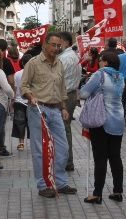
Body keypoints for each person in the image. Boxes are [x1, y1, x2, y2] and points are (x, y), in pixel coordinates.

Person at [21, 32, 77, 198]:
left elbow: (62, 89)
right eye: (53, 45)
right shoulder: (33, 63)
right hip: (38, 109)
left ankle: (60, 182)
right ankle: (43, 185)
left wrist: (64, 107)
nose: (56, 48)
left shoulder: (59, 63)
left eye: (59, 45)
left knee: (63, 147)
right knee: (40, 149)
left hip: (56, 110)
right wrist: (31, 97)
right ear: (45, 45)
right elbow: (24, 86)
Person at [79, 52, 125, 204]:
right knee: (115, 157)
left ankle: (97, 194)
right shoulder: (120, 77)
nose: (98, 63)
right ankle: (118, 191)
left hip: (101, 120)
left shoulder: (100, 75)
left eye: (100, 60)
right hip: (118, 120)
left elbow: (84, 93)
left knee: (100, 158)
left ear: (105, 62)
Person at [58, 31, 83, 172]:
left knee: (63, 129)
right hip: (71, 94)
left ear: (65, 42)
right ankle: (67, 160)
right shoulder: (73, 56)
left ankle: (67, 161)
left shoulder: (64, 58)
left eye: (58, 42)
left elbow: (57, 79)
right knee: (65, 128)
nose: (56, 46)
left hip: (65, 95)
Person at [12, 54, 33, 152]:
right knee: (32, 123)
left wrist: (13, 100)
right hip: (31, 101)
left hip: (19, 101)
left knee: (20, 123)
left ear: (23, 63)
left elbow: (15, 89)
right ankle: (33, 143)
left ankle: (21, 143)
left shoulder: (17, 74)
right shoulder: (35, 73)